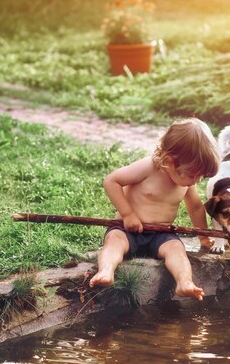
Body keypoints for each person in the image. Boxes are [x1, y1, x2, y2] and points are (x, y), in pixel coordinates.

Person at [89, 118, 220, 301]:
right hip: (127, 230)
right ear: (170, 162)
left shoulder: (186, 183)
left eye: (200, 176)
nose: (196, 181)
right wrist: (128, 214)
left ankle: (184, 282)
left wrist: (204, 236)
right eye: (193, 174)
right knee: (114, 241)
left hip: (161, 235)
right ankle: (106, 271)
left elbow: (196, 207)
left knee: (176, 248)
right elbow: (112, 181)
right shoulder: (149, 167)